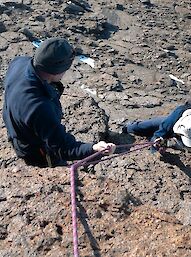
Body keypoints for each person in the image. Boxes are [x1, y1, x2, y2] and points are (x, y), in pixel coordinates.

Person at [2, 37, 116, 167]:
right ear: (58, 70)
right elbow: (64, 148)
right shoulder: (39, 107)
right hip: (37, 150)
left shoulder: (19, 63)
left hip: (17, 129)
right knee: (54, 166)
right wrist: (94, 148)